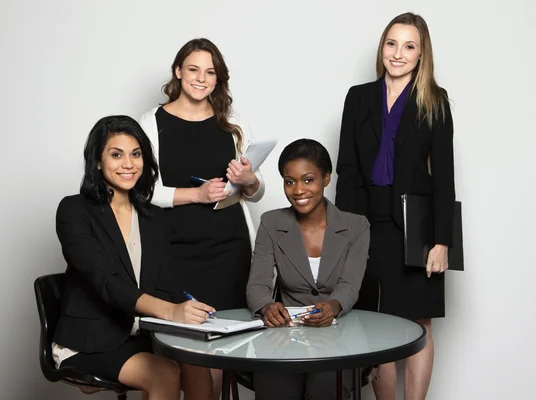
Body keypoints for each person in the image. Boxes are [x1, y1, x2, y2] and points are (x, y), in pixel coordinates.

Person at [335, 12, 455, 400]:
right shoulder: (358, 98)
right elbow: (347, 171)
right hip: (368, 223)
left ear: (422, 55)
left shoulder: (434, 101)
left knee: (420, 324)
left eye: (409, 46)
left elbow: (445, 176)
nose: (398, 54)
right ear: (381, 48)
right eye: (391, 43)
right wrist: (342, 236)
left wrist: (442, 241)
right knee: (377, 324)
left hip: (418, 227)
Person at [52, 115, 214, 400]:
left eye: (136, 154)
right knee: (163, 373)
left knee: (198, 364)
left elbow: (165, 283)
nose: (129, 164)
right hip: (90, 339)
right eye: (116, 154)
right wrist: (169, 311)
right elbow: (106, 281)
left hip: (141, 334)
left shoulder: (154, 217)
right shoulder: (74, 211)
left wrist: (189, 310)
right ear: (98, 161)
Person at [139, 38, 264, 398]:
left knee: (227, 350)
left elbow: (255, 192)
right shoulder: (152, 122)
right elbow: (141, 189)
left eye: (210, 72)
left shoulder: (233, 123)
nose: (201, 78)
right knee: (191, 353)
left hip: (230, 252)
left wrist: (249, 180)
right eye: (193, 69)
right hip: (175, 252)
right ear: (178, 72)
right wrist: (194, 194)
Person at [246, 139, 370, 400]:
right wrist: (267, 306)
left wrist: (334, 305)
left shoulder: (356, 226)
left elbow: (350, 284)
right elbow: (258, 283)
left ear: (326, 178)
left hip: (339, 338)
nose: (298, 190)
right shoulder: (271, 222)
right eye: (289, 181)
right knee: (274, 391)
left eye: (308, 180)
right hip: (284, 338)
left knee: (325, 389)